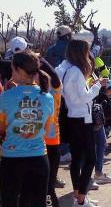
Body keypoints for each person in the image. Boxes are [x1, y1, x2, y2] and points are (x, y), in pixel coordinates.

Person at [55, 40, 108, 207]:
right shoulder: (76, 71)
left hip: (71, 116)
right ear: (81, 53)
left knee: (77, 159)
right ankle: (81, 199)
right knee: (90, 159)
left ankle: (79, 195)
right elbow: (85, 97)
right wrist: (99, 84)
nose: (88, 55)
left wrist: (89, 86)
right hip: (82, 118)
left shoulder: (62, 68)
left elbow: (73, 93)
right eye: (87, 52)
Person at [0, 51, 54, 207]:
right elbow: (47, 129)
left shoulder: (5, 97)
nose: (10, 72)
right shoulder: (48, 97)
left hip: (11, 159)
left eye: (12, 68)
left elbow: (1, 128)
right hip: (39, 159)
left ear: (19, 70)